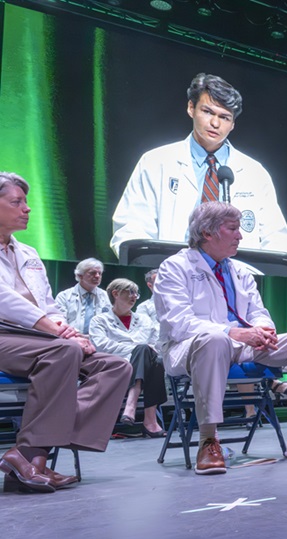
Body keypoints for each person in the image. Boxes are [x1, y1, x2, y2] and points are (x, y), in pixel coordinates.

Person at [153, 202, 287, 475]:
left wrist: (263, 331)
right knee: (213, 339)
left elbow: (259, 312)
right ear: (207, 232)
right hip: (191, 348)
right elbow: (178, 323)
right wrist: (233, 332)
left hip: (241, 345)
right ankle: (208, 440)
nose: (240, 236)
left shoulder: (239, 270)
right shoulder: (175, 267)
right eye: (232, 229)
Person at [0, 172, 130, 493]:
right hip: (7, 334)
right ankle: (33, 455)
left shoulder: (28, 253)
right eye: (17, 202)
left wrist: (69, 330)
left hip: (41, 337)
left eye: (26, 202)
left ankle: (30, 456)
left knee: (115, 366)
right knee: (65, 351)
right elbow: (6, 301)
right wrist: (59, 332)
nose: (27, 209)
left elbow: (48, 304)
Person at [110, 73, 287, 257]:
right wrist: (156, 273)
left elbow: (277, 241)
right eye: (207, 112)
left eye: (224, 117)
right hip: (169, 277)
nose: (215, 123)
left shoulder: (255, 173)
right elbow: (131, 229)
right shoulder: (155, 162)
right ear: (191, 108)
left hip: (236, 281)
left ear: (233, 124)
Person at [89, 278, 166, 437]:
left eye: (136, 293)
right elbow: (102, 345)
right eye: (130, 292)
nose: (134, 296)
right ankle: (150, 421)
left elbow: (156, 342)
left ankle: (132, 404)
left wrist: (143, 351)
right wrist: (137, 350)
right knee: (145, 353)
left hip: (145, 363)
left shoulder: (144, 320)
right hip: (116, 364)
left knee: (155, 359)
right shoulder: (99, 320)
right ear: (116, 294)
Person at [54, 258, 111, 334]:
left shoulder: (107, 297)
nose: (97, 276)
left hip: (100, 340)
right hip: (72, 339)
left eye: (100, 273)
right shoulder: (64, 296)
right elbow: (60, 321)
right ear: (80, 276)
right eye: (92, 273)